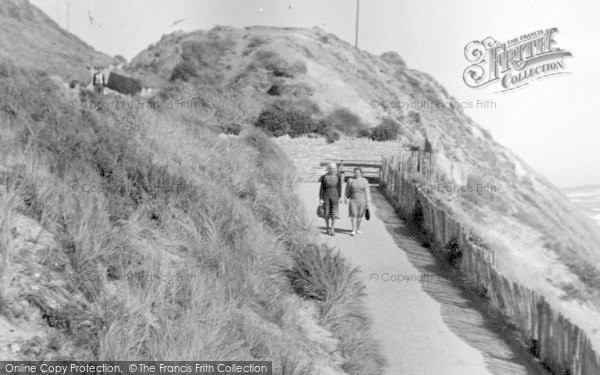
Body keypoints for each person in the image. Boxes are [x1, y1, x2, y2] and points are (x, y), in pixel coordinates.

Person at [344, 167, 371, 236]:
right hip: (353, 200)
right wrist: (345, 198)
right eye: (355, 172)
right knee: (353, 214)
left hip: (362, 200)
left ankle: (357, 228)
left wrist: (367, 201)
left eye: (358, 172)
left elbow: (367, 191)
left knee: (360, 216)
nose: (356, 174)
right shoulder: (350, 180)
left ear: (361, 173)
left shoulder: (364, 181)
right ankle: (353, 230)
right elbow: (347, 190)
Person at [319, 162, 342, 236]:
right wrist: (320, 198)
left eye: (334, 168)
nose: (333, 170)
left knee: (334, 213)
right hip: (326, 195)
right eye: (331, 168)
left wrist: (340, 197)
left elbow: (339, 187)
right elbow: (322, 188)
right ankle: (327, 228)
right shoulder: (324, 177)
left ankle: (332, 228)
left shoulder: (338, 176)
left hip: (335, 195)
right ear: (328, 169)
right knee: (326, 213)